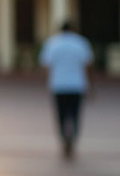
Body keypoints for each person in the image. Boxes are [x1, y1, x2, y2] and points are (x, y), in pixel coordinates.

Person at [39, 20, 94, 159]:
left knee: (61, 116)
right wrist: (91, 85)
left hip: (58, 85)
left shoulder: (52, 43)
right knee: (75, 115)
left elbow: (46, 66)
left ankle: (64, 139)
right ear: (74, 29)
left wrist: (46, 82)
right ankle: (73, 139)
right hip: (76, 85)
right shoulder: (81, 43)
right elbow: (87, 66)